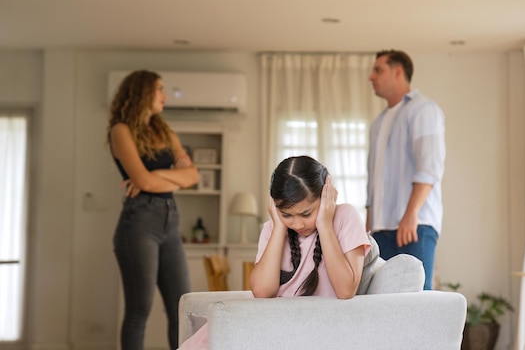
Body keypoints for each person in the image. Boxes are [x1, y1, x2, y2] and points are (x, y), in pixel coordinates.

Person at [179, 155, 371, 349]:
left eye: (306, 214)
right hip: (263, 322)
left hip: (295, 330)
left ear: (326, 196)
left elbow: (346, 291)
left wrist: (324, 224)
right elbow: (262, 292)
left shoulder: (345, 217)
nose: (297, 224)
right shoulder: (273, 229)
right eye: (287, 215)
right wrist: (279, 227)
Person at [107, 70, 199, 350]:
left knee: (181, 306)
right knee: (139, 309)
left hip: (169, 219)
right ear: (141, 92)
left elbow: (193, 176)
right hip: (138, 222)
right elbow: (144, 181)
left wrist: (155, 176)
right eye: (159, 89)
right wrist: (171, 175)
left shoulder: (164, 130)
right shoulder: (120, 130)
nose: (165, 95)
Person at [366, 50, 446, 290]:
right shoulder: (378, 123)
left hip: (413, 226)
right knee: (382, 304)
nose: (371, 77)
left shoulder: (423, 110)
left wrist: (411, 214)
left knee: (417, 304)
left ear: (398, 72)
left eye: (378, 70)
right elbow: (373, 183)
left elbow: (429, 167)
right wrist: (367, 231)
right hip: (381, 230)